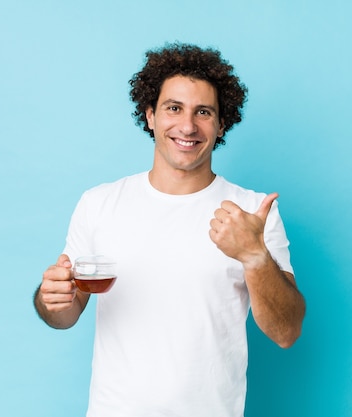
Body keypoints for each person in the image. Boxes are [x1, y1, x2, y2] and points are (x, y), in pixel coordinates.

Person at [33, 42, 306, 417]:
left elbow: (286, 332)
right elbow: (64, 315)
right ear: (149, 115)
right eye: (173, 108)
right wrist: (51, 299)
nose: (188, 126)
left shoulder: (253, 213)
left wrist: (255, 256)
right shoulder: (99, 203)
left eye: (204, 112)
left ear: (222, 123)